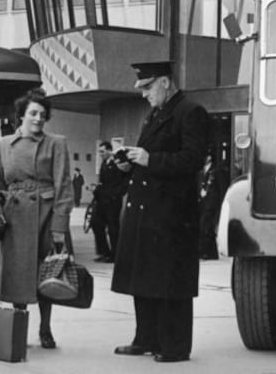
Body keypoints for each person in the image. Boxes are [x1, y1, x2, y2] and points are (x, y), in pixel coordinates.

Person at [112, 61, 209, 363]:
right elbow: (153, 159)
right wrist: (131, 163)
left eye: (148, 87)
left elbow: (192, 160)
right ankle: (146, 338)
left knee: (170, 283)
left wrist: (150, 160)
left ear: (165, 82)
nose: (144, 94)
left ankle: (174, 346)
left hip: (172, 214)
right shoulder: (157, 114)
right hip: (149, 210)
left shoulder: (191, 112)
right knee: (144, 279)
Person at [0, 87, 73, 350]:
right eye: (33, 113)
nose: (38, 118)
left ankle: (45, 328)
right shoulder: (3, 144)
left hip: (47, 215)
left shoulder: (56, 143)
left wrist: (60, 225)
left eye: (43, 114)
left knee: (48, 273)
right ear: (21, 116)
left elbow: (64, 185)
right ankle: (20, 325)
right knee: (17, 273)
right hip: (15, 217)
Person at [91, 141, 129, 263]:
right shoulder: (104, 163)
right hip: (102, 199)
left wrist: (117, 194)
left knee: (113, 228)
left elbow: (125, 181)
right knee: (95, 223)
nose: (100, 154)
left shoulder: (118, 162)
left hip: (113, 200)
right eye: (99, 152)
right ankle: (103, 252)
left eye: (102, 151)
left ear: (109, 150)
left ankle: (115, 255)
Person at [198, 151, 229, 260]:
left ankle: (209, 253)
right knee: (204, 228)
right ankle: (206, 252)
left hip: (214, 205)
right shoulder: (202, 171)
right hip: (204, 204)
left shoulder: (217, 171)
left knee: (208, 228)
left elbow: (222, 190)